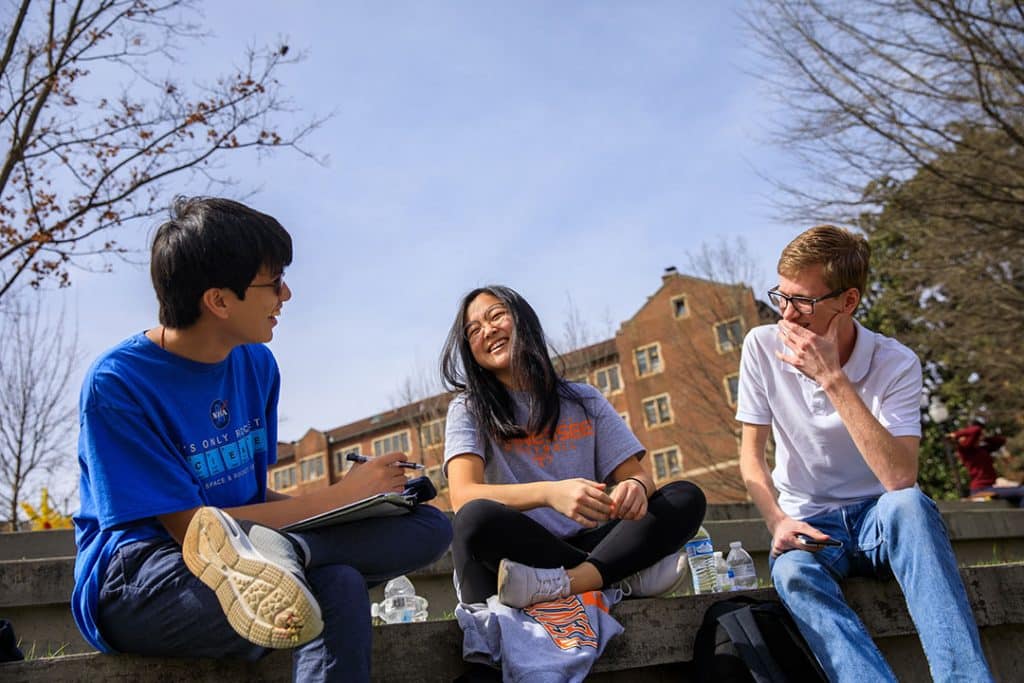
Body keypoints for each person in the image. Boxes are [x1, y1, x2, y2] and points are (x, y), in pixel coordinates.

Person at [72, 197, 452, 682]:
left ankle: (288, 561)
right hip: (146, 574)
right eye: (272, 283)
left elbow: (250, 500)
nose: (286, 294)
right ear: (219, 300)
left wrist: (359, 503)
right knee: (335, 584)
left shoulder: (257, 365)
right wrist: (338, 495)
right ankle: (286, 561)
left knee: (429, 529)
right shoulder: (118, 384)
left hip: (252, 552)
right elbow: (192, 529)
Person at [735, 225, 992, 682]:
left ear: (848, 302)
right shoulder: (761, 346)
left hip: (881, 517)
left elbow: (899, 478)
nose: (788, 315)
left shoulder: (896, 362)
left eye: (804, 302)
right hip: (809, 524)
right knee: (791, 574)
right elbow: (750, 455)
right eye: (782, 296)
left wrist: (832, 379)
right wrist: (776, 521)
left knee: (910, 505)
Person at [440, 285, 706, 609]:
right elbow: (462, 494)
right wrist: (550, 494)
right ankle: (616, 576)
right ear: (471, 350)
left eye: (496, 316)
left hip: (592, 542)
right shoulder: (468, 408)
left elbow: (638, 476)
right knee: (474, 518)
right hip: (522, 553)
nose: (488, 330)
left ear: (524, 321)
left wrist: (635, 487)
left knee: (685, 497)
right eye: (474, 330)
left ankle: (572, 583)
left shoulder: (583, 400)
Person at [949, 420, 1022, 506]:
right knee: (1022, 491)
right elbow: (976, 429)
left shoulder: (983, 449)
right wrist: (957, 434)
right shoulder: (965, 450)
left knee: (1018, 496)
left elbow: (1001, 440)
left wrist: (985, 438)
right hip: (981, 488)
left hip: (991, 487)